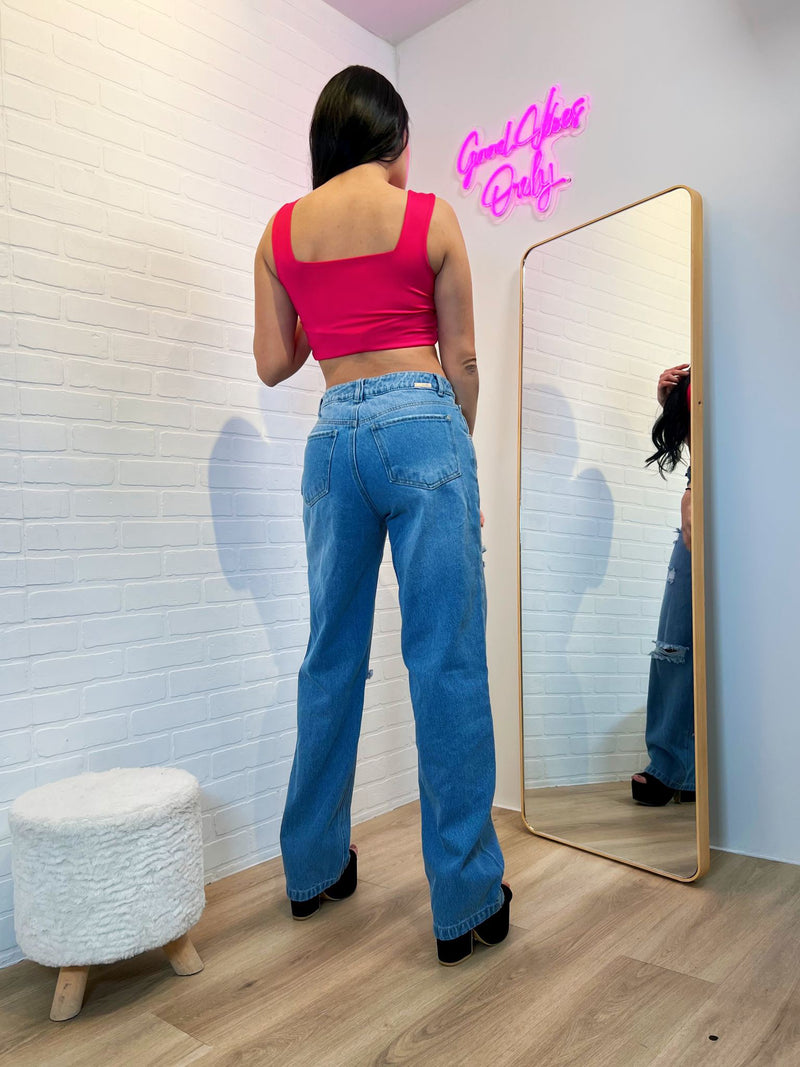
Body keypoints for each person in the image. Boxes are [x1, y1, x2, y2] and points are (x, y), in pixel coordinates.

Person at [252, 65, 510, 965]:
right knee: (446, 657)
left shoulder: (279, 232)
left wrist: (323, 307)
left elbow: (273, 363)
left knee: (330, 658)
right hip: (422, 425)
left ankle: (313, 869)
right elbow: (462, 357)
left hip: (333, 438)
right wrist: (457, 458)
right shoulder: (429, 216)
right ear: (393, 138)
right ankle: (467, 902)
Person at [631, 364, 696, 805]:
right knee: (676, 642)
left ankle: (685, 770)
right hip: (704, 494)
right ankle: (677, 769)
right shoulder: (700, 377)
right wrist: (672, 402)